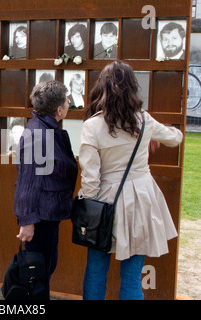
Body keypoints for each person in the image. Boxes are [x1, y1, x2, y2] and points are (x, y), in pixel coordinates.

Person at [78, 60, 183, 300]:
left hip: (104, 202)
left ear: (101, 87)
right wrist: (151, 136)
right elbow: (175, 138)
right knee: (132, 276)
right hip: (141, 200)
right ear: (132, 87)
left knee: (95, 271)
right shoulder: (144, 121)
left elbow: (90, 179)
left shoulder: (92, 126)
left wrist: (89, 210)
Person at [14, 80, 78, 299]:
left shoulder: (46, 128)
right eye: (67, 100)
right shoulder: (38, 134)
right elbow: (27, 182)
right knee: (37, 276)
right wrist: (27, 222)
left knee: (43, 271)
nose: (69, 103)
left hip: (48, 214)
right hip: (40, 218)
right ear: (59, 109)